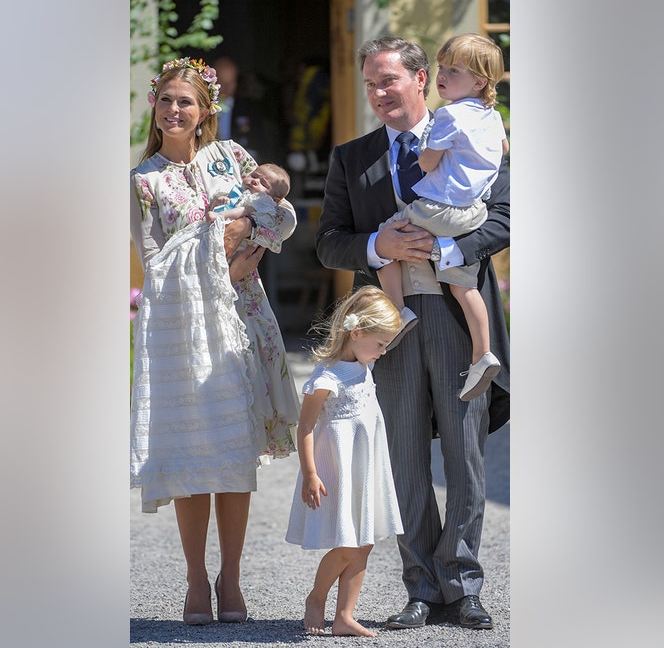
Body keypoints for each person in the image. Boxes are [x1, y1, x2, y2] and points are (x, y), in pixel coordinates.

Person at [316, 36, 511, 631]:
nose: (377, 94)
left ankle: (463, 583)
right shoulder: (351, 157)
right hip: (388, 331)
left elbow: (506, 214)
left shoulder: (476, 130)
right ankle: (422, 587)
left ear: (422, 79)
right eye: (370, 83)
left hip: (456, 322)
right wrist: (380, 245)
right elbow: (329, 242)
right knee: (402, 460)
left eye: (388, 81)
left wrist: (451, 246)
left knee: (466, 455)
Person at [130, 56, 301, 626]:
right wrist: (215, 261)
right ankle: (195, 579)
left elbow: (279, 218)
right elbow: (154, 265)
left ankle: (231, 575)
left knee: (233, 448)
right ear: (154, 105)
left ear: (205, 111)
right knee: (192, 450)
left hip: (243, 319)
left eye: (187, 102)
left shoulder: (232, 159)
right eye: (166, 99)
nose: (175, 110)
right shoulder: (145, 181)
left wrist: (247, 229)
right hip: (186, 329)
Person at [375, 34, 508, 402]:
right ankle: (482, 354)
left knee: (386, 239)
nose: (442, 75)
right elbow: (503, 151)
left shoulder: (449, 115)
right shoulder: (493, 116)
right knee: (464, 288)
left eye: (454, 70)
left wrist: (426, 159)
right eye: (442, 67)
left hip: (439, 206)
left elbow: (428, 162)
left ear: (480, 81)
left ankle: (399, 311)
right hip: (472, 213)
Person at [285, 286, 404, 637]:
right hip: (338, 469)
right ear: (356, 333)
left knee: (364, 541)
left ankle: (345, 616)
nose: (383, 352)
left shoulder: (364, 366)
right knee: (347, 544)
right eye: (380, 343)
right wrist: (310, 473)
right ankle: (316, 598)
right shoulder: (328, 377)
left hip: (363, 466)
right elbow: (305, 426)